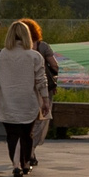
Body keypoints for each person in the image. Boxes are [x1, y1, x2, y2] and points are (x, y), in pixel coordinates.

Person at [0, 20, 51, 177]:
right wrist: (45, 100)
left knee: (12, 134)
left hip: (6, 100)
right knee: (26, 133)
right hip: (28, 101)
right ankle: (26, 163)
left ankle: (15, 164)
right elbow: (41, 80)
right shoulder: (34, 56)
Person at [23, 18, 59, 166]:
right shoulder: (42, 46)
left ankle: (25, 150)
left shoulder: (16, 49)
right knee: (41, 120)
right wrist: (52, 80)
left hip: (24, 88)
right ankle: (31, 150)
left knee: (26, 120)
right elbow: (55, 66)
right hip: (43, 87)